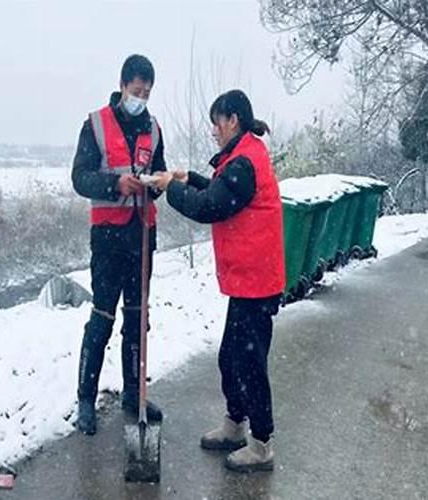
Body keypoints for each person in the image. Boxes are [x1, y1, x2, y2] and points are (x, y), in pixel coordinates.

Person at [152, 89, 285, 472]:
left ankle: (261, 444)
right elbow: (217, 189)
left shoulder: (245, 161)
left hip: (256, 281)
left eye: (217, 122)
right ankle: (235, 425)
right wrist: (186, 178)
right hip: (248, 279)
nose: (213, 130)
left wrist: (171, 188)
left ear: (233, 121)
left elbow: (211, 205)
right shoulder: (241, 157)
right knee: (232, 357)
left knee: (249, 362)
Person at [71, 54, 167, 435]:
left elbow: (160, 171)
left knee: (137, 318)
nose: (140, 97)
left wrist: (156, 183)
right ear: (122, 85)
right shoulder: (95, 124)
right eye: (135, 90)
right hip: (108, 237)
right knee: (104, 316)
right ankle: (85, 397)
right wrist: (116, 184)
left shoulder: (154, 128)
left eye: (146, 92)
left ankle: (133, 393)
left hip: (142, 234)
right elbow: (80, 178)